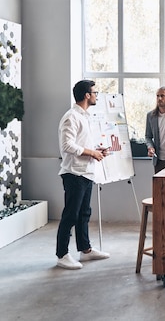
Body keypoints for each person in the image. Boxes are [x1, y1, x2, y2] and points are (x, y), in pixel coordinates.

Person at [56, 80, 110, 270]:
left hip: (86, 172)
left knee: (84, 214)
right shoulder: (71, 117)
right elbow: (67, 146)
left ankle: (85, 249)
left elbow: (82, 143)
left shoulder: (85, 117)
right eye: (95, 92)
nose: (96, 95)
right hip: (74, 173)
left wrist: (97, 150)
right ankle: (62, 254)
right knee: (71, 215)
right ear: (87, 95)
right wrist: (92, 153)